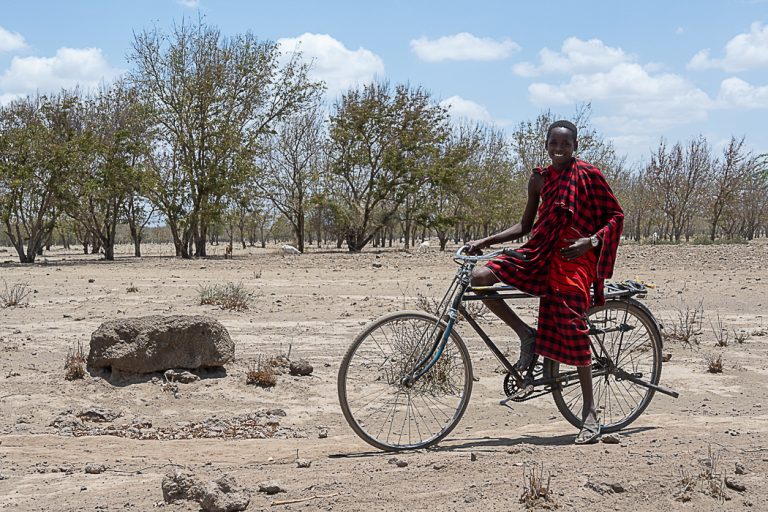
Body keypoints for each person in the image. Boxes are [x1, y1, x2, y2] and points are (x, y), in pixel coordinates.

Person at [467, 120, 624, 444]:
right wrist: (485, 242)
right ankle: (526, 334)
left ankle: (590, 413)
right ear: (547, 144)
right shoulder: (540, 179)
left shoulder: (588, 175)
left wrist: (591, 242)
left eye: (565, 144)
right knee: (480, 277)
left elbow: (615, 217)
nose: (559, 149)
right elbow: (525, 225)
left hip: (573, 258)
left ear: (574, 146)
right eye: (554, 143)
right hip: (539, 252)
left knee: (572, 324)